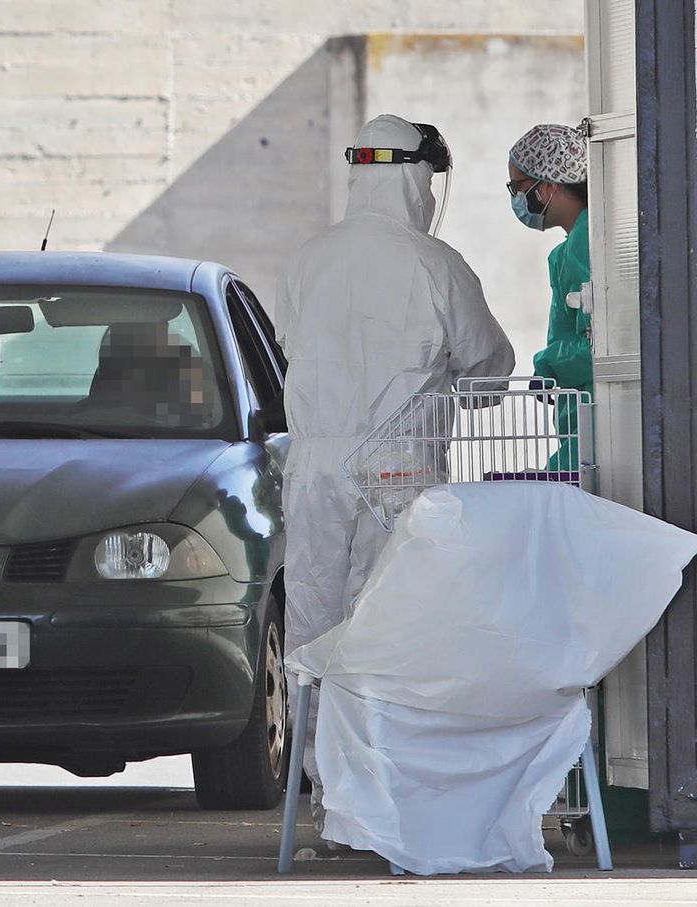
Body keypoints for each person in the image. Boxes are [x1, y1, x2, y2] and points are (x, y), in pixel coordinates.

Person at [275, 113, 515, 829]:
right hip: (397, 461)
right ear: (417, 178)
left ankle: (322, 789)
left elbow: (294, 345)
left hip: (313, 459)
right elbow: (490, 366)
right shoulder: (433, 263)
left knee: (314, 616)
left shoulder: (307, 259)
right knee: (390, 618)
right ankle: (385, 787)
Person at [507, 123, 591, 473]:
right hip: (580, 422)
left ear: (550, 183)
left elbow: (600, 345)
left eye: (519, 187)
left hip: (595, 422)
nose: (515, 198)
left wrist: (550, 365)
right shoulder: (570, 249)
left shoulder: (586, 245)